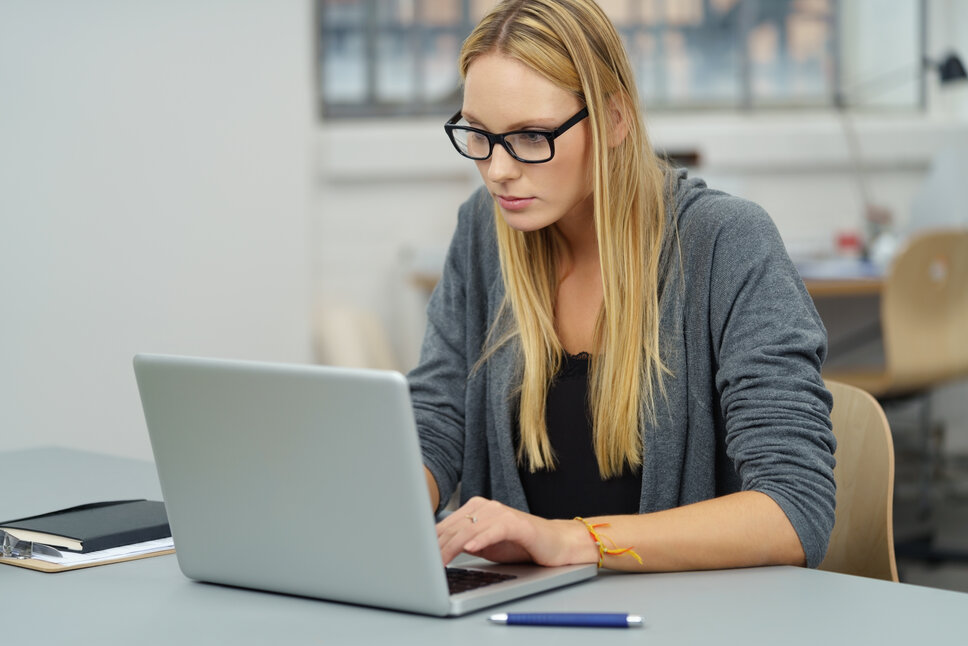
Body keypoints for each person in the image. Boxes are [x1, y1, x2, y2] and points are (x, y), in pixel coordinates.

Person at [408, 0, 836, 573]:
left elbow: (794, 509)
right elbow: (437, 418)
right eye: (478, 134)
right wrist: (385, 500)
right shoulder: (484, 233)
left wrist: (574, 541)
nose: (498, 170)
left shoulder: (727, 242)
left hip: (692, 620)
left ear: (614, 119)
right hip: (518, 619)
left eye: (532, 136)